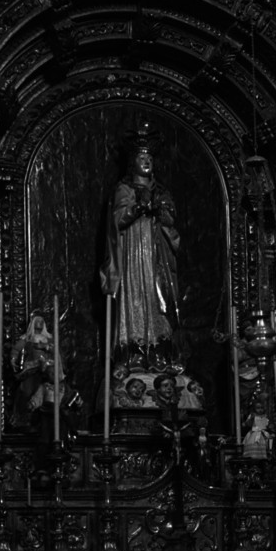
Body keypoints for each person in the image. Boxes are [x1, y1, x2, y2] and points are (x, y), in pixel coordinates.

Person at [100, 121, 180, 372]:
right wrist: (136, 209)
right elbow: (117, 220)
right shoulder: (124, 189)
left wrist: (160, 211)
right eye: (141, 157)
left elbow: (171, 221)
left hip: (156, 256)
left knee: (158, 299)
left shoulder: (162, 191)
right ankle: (133, 353)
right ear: (132, 161)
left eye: (149, 158)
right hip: (132, 252)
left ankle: (159, 352)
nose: (147, 162)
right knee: (134, 298)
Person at [9, 312, 54, 427]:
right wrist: (13, 359)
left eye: (41, 322)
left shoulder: (49, 339)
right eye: (37, 321)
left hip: (46, 370)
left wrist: (47, 348)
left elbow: (55, 352)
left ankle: (42, 421)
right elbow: (16, 349)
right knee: (27, 392)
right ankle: (23, 420)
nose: (39, 323)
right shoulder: (27, 338)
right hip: (31, 369)